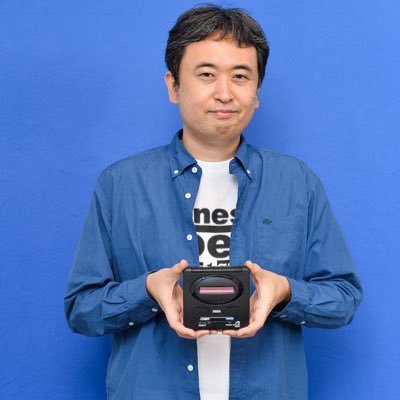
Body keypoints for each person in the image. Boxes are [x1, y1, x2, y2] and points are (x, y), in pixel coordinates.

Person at [64, 5, 363, 400]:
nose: (225, 93)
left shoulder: (297, 182)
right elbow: (81, 309)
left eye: (241, 76)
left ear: (256, 93)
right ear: (173, 86)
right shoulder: (120, 185)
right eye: (206, 74)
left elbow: (343, 297)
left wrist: (285, 292)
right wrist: (148, 291)